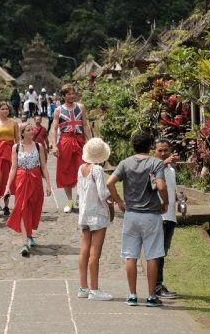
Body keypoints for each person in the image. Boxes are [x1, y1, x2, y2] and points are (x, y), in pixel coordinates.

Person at [106, 131, 169, 307]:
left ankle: (132, 295)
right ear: (150, 146)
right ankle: (150, 296)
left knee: (130, 256)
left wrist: (119, 201)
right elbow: (161, 185)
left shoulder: (125, 163)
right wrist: (166, 202)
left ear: (133, 145)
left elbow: (110, 182)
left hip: (131, 214)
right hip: (151, 215)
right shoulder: (156, 163)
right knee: (152, 256)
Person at [4, 123, 53, 256]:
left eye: (32, 129)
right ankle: (25, 242)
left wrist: (48, 184)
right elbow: (13, 168)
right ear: (22, 133)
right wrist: (8, 186)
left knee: (34, 208)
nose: (32, 132)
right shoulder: (16, 147)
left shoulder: (39, 146)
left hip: (35, 179)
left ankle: (29, 234)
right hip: (21, 180)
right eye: (29, 130)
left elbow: (43, 166)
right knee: (22, 208)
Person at [76, 138, 113, 301]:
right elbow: (103, 193)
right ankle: (95, 289)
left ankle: (83, 287)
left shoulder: (81, 168)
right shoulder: (97, 170)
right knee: (95, 252)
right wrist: (114, 201)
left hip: (84, 212)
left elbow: (79, 191)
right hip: (97, 213)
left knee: (84, 250)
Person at [49, 84, 91, 213]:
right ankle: (69, 200)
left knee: (83, 169)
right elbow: (54, 128)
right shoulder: (58, 110)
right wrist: (54, 145)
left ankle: (80, 197)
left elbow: (85, 125)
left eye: (73, 93)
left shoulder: (81, 107)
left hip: (80, 140)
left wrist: (90, 142)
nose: (72, 96)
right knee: (66, 171)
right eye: (69, 94)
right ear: (63, 96)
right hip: (65, 141)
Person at [154, 139, 180, 300]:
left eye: (166, 150)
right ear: (154, 151)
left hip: (170, 216)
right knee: (158, 253)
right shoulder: (155, 167)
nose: (163, 153)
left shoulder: (170, 170)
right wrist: (164, 162)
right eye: (160, 150)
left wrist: (179, 197)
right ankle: (157, 286)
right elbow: (152, 174)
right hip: (160, 216)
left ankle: (158, 285)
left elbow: (170, 189)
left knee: (163, 252)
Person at [0, 101, 20, 218]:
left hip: (10, 151)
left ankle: (6, 206)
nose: (5, 111)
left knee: (8, 178)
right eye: (2, 109)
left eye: (7, 109)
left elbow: (18, 141)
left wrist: (19, 155)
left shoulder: (14, 123)